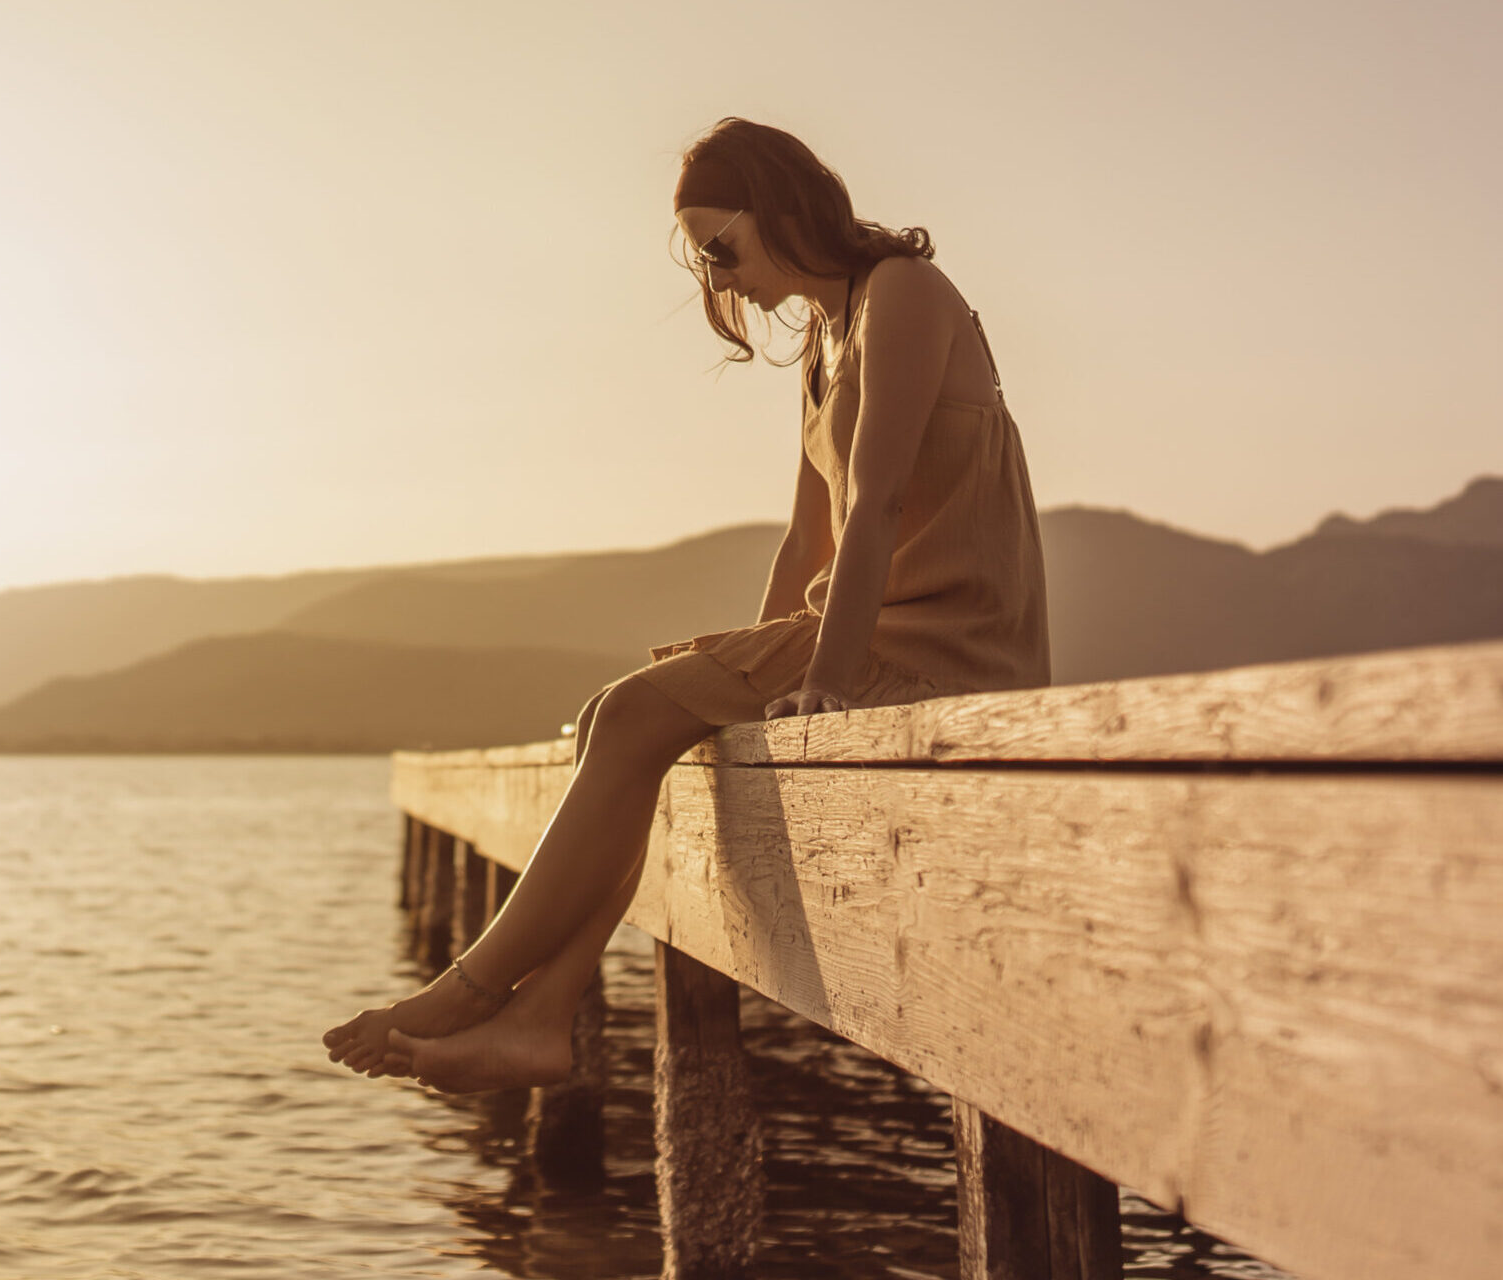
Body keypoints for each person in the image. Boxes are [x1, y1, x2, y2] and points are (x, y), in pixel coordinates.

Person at [322, 117, 1049, 1094]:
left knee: (630, 712)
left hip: (942, 642)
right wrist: (738, 679)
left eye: (722, 248)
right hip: (870, 626)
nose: (717, 280)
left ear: (784, 209)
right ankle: (543, 1015)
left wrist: (823, 682)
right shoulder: (826, 343)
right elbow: (808, 541)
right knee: (620, 723)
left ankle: (473, 989)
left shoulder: (905, 293)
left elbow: (874, 502)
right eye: (703, 259)